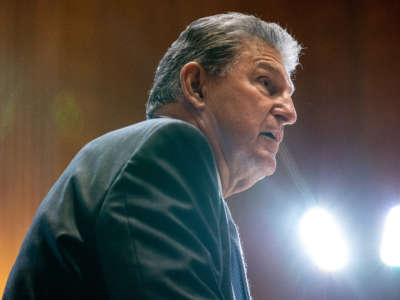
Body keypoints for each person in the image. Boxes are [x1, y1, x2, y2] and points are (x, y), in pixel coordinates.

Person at [3, 12, 301, 300]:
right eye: (266, 84)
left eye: (289, 96)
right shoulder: (169, 148)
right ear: (196, 86)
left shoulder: (208, 207)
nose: (290, 113)